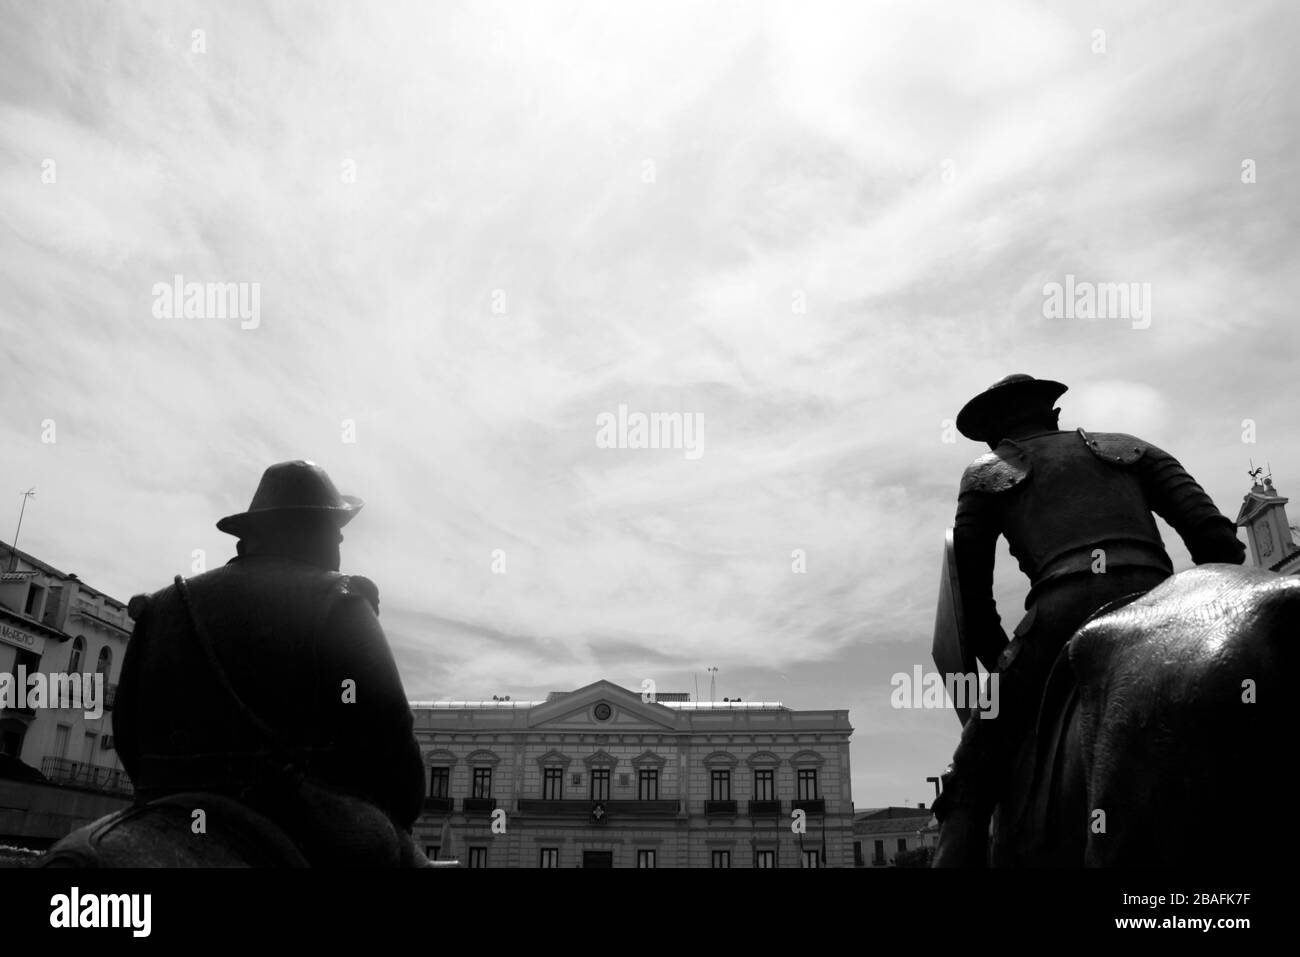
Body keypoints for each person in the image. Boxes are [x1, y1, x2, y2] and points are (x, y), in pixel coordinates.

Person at [931, 375, 1245, 866]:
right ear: (1053, 415)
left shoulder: (986, 473)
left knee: (971, 773)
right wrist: (1208, 613)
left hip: (1065, 610)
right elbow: (1216, 541)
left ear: (999, 437)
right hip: (1166, 593)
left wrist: (1003, 673)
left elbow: (972, 599)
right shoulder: (1131, 448)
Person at [112, 460, 428, 866]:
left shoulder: (161, 605)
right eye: (336, 534)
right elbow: (392, 746)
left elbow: (127, 733)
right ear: (312, 533)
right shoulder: (340, 601)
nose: (339, 546)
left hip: (161, 803)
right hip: (285, 810)